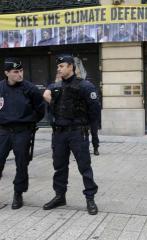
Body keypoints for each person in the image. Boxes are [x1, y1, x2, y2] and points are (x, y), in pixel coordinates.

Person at [42, 54, 100, 215]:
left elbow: (95, 111)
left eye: (61, 66)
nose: (58, 69)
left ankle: (90, 199)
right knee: (59, 167)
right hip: (59, 134)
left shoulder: (85, 86)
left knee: (84, 167)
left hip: (77, 133)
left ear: (70, 66)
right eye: (58, 67)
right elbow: (48, 99)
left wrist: (87, 128)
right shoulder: (56, 87)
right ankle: (60, 196)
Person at [0, 58, 45, 208]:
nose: (20, 74)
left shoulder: (30, 89)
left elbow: (40, 110)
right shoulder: (0, 88)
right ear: (7, 73)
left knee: (21, 164)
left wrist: (29, 122)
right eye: (15, 72)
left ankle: (18, 194)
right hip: (3, 131)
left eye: (21, 71)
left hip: (22, 131)